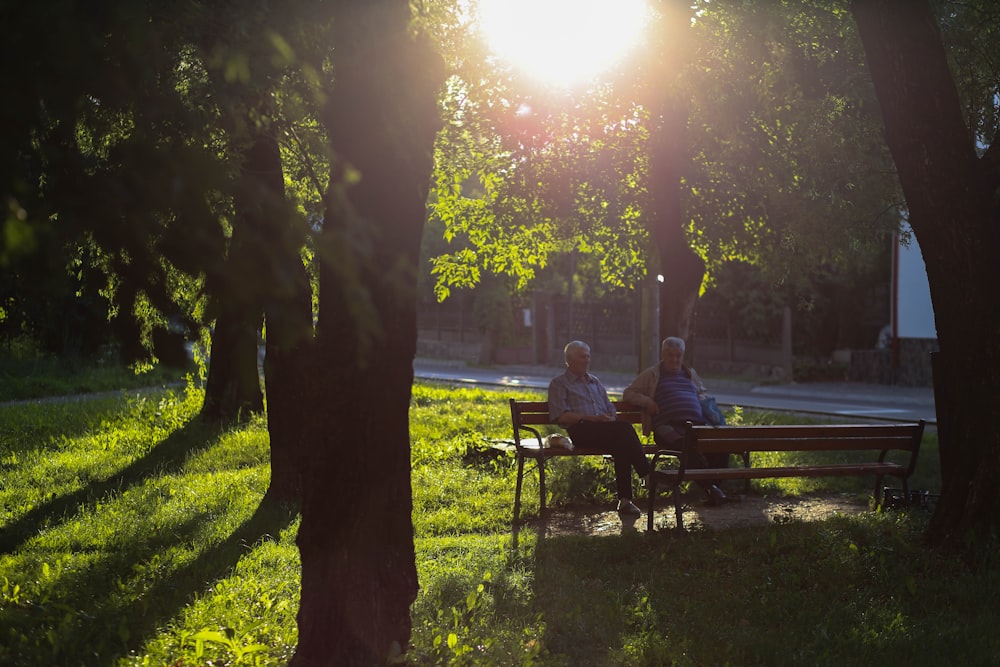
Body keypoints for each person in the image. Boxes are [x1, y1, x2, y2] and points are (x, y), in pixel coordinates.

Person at [548, 340, 652, 514]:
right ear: (570, 360)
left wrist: (608, 419)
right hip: (581, 430)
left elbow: (610, 408)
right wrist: (594, 419)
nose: (587, 360)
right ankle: (647, 474)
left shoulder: (594, 381)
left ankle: (625, 501)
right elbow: (561, 416)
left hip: (604, 430)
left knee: (622, 445)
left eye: (588, 356)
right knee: (625, 428)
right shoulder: (559, 383)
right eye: (583, 357)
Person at [623, 336, 729, 506]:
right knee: (686, 446)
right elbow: (628, 393)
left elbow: (702, 392)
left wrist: (701, 401)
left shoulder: (690, 373)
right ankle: (712, 488)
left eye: (678, 355)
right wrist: (648, 402)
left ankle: (713, 488)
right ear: (663, 355)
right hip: (667, 426)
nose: (674, 359)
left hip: (695, 425)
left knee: (720, 445)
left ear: (682, 355)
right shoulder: (652, 374)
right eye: (670, 355)